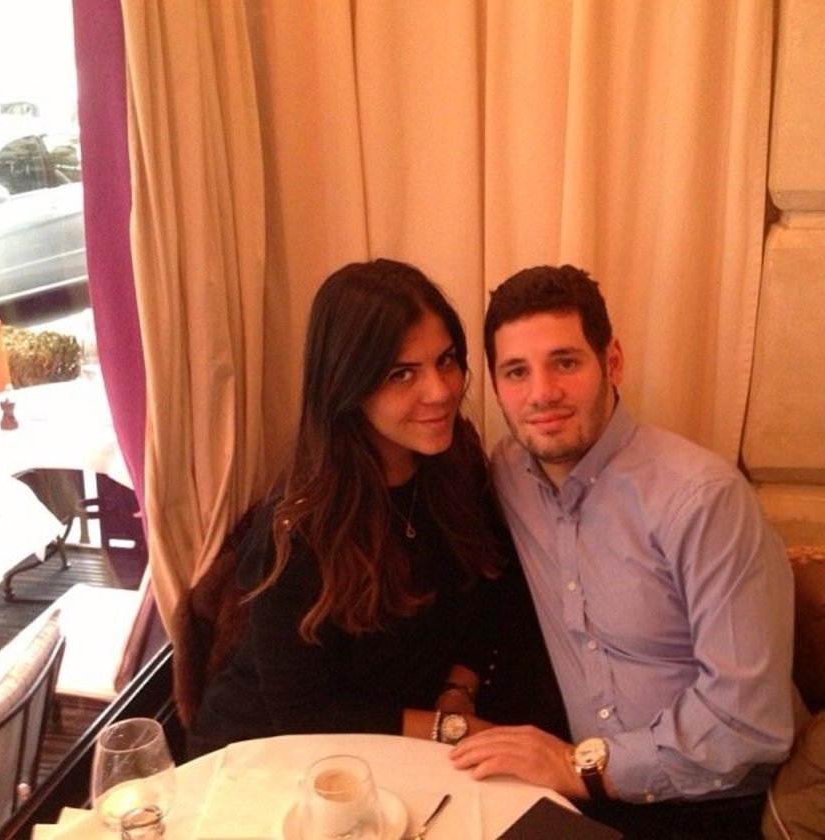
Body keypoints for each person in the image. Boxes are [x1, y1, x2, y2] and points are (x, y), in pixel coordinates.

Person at [450, 264, 804, 839]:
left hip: (713, 805)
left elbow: (746, 724)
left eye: (565, 362)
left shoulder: (703, 501)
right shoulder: (508, 474)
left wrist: (575, 766)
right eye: (517, 372)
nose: (541, 393)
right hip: (588, 801)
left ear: (611, 362)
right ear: (495, 386)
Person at [187, 258, 567, 757]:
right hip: (269, 756)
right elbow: (304, 717)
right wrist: (451, 729)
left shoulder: (456, 463)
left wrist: (459, 690)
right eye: (401, 374)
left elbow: (491, 594)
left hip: (399, 746)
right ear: (347, 385)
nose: (440, 391)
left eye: (446, 360)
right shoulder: (298, 528)